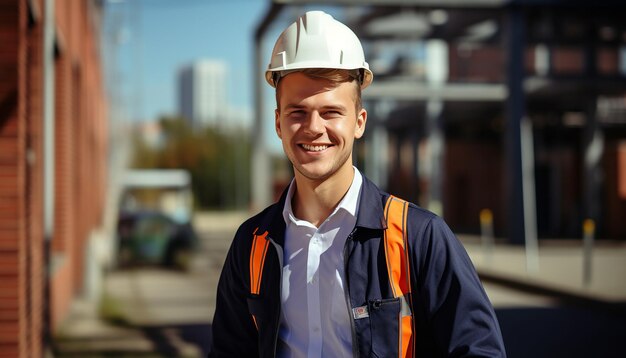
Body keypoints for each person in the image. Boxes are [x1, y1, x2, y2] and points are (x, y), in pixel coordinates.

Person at [210, 10, 506, 358]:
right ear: (278, 123)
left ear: (359, 122)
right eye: (297, 113)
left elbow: (480, 350)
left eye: (331, 112)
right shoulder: (252, 245)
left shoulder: (418, 237)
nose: (313, 128)